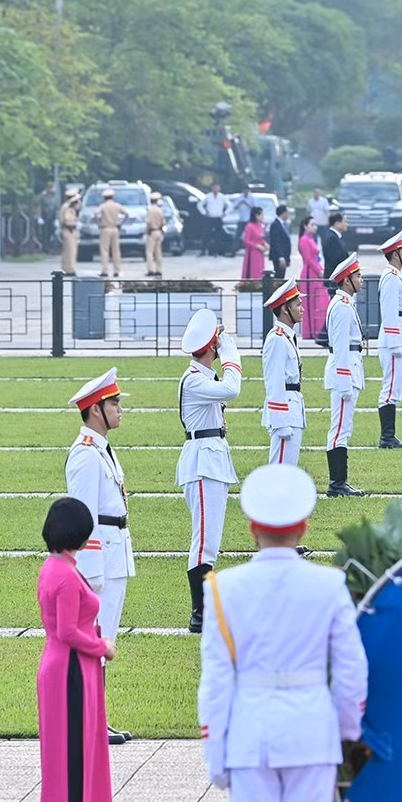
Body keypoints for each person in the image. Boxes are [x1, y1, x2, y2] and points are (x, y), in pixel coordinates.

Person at [197, 464, 368, 802]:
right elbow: (352, 674)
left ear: (251, 528)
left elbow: (216, 682)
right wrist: (344, 733)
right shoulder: (328, 586)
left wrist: (215, 752)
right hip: (311, 734)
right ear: (303, 526)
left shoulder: (223, 589)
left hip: (250, 735)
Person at [36, 496, 117, 802]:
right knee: (75, 756)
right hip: (71, 670)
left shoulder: (53, 567)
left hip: (61, 667)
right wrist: (103, 647)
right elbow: (68, 631)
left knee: (63, 757)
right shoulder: (67, 576)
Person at [65, 369, 134, 746]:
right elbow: (83, 517)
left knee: (104, 639)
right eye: (114, 403)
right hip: (100, 560)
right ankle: (90, 722)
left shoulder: (101, 449)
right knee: (96, 641)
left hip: (114, 552)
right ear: (96, 410)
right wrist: (90, 573)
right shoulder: (86, 455)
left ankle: (97, 719)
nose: (120, 409)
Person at [177, 310, 243, 634]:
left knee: (210, 539)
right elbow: (233, 389)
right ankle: (199, 614)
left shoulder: (203, 377)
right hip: (203, 462)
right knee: (204, 540)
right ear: (211, 346)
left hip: (211, 458)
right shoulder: (194, 379)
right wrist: (232, 357)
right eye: (217, 342)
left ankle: (205, 610)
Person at [322, 253, 367, 496]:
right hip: (344, 371)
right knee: (339, 428)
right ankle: (337, 483)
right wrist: (344, 381)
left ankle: (340, 482)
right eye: (358, 276)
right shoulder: (341, 306)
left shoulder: (345, 303)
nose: (361, 280)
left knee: (343, 427)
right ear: (347, 280)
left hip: (349, 368)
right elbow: (339, 347)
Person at [374, 231, 402, 449]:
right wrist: (395, 341)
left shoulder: (396, 276)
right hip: (395, 338)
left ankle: (390, 435)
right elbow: (389, 311)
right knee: (390, 387)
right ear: (395, 254)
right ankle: (387, 436)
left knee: (395, 387)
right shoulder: (390, 277)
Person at [261, 281, 306, 467]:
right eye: (298, 305)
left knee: (289, 468)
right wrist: (280, 422)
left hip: (292, 408)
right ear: (285, 309)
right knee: (279, 469)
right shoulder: (277, 339)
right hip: (285, 411)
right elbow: (274, 381)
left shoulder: (287, 337)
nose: (302, 309)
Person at [297, 218, 328, 341]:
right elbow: (309, 259)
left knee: (319, 301)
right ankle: (310, 331)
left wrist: (321, 269)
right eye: (312, 224)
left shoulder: (311, 239)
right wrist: (319, 271)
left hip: (316, 272)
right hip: (310, 273)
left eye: (316, 224)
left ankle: (318, 330)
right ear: (305, 226)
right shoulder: (304, 240)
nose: (315, 227)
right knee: (311, 302)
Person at [319, 211, 352, 294]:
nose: (346, 224)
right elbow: (336, 258)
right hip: (334, 279)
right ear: (337, 224)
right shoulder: (331, 238)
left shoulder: (336, 237)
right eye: (344, 221)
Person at [97, 186, 124, 279]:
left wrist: (99, 223)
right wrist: (121, 223)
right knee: (116, 250)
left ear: (104, 197)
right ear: (113, 197)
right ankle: (117, 270)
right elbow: (126, 214)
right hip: (115, 228)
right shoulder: (117, 205)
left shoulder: (103, 206)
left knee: (105, 250)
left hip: (105, 228)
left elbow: (95, 214)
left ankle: (105, 271)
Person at [240, 207, 268, 282]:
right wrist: (257, 246)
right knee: (253, 272)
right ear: (256, 215)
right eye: (262, 215)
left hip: (260, 254)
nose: (263, 217)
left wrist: (265, 243)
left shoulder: (260, 226)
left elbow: (260, 238)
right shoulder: (249, 226)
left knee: (260, 272)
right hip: (252, 254)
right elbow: (246, 241)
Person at [54, 192, 80, 276]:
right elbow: (68, 221)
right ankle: (70, 269)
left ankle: (66, 268)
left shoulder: (66, 207)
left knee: (67, 251)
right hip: (69, 230)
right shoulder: (68, 208)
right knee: (70, 251)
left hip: (68, 231)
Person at [144, 192, 167, 278]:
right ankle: (159, 270)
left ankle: (151, 270)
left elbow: (148, 222)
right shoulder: (159, 210)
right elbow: (163, 222)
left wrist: (146, 232)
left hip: (152, 232)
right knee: (158, 252)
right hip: (159, 231)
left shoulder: (150, 210)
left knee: (149, 252)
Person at [268, 204, 293, 281]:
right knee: (278, 276)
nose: (288, 214)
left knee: (281, 276)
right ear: (283, 213)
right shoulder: (275, 225)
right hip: (279, 256)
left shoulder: (284, 224)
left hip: (285, 255)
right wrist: (280, 257)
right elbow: (276, 242)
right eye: (287, 212)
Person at [201, 185, 228, 256]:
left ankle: (216, 252)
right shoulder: (208, 196)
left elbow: (230, 205)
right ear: (212, 188)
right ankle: (203, 251)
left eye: (217, 188)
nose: (216, 189)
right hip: (210, 217)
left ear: (219, 188)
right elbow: (199, 205)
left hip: (218, 218)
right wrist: (204, 212)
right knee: (206, 234)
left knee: (218, 235)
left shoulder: (222, 197)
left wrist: (225, 213)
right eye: (214, 187)